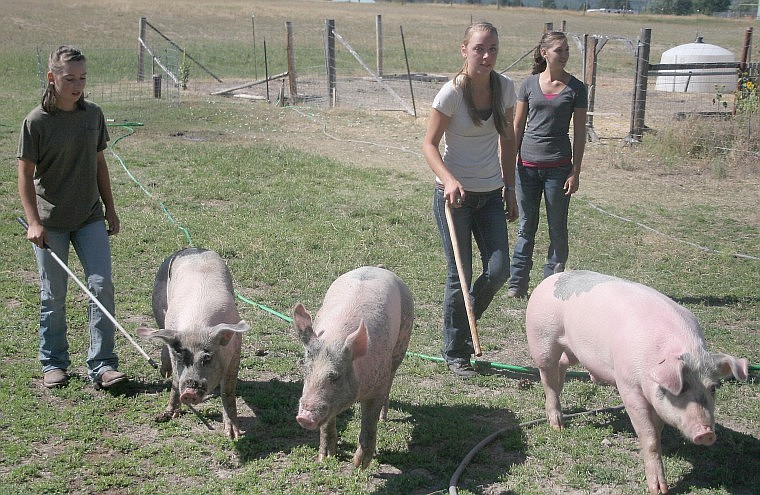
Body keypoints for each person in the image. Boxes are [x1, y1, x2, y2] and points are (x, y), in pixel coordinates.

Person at [17, 45, 127, 389]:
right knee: (54, 294)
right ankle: (53, 362)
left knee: (101, 286)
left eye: (82, 78)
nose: (77, 85)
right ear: (52, 78)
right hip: (51, 223)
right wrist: (34, 222)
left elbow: (99, 163)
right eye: (69, 78)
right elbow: (24, 175)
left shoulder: (93, 114)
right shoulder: (36, 122)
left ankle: (103, 364)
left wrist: (110, 208)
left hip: (89, 216)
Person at [423, 22, 518, 378]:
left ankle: (459, 325)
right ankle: (456, 351)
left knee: (498, 271)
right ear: (464, 50)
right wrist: (448, 180)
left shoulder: (504, 88)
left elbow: (508, 140)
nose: (487, 55)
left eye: (493, 48)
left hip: (491, 194)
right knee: (458, 275)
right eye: (479, 48)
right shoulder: (450, 94)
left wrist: (510, 188)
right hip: (454, 198)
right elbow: (429, 145)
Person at [507, 31, 587, 298]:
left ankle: (552, 285)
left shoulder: (577, 88)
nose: (564, 56)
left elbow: (578, 132)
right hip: (526, 166)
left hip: (558, 168)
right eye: (559, 51)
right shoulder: (528, 84)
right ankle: (517, 284)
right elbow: (517, 125)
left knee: (557, 226)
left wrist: (575, 170)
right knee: (526, 225)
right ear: (545, 53)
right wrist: (509, 161)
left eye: (566, 51)